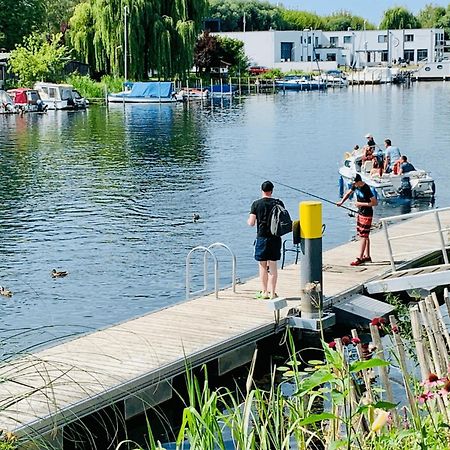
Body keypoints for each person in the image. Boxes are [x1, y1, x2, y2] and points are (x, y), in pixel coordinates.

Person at [248, 180, 283, 299]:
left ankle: (264, 292)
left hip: (262, 238)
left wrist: (249, 220)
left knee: (262, 265)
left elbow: (251, 223)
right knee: (273, 266)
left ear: (262, 190)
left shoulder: (256, 204)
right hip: (275, 238)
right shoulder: (278, 203)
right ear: (272, 191)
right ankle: (273, 293)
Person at [337, 174, 378, 266]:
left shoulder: (366, 188)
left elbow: (374, 203)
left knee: (363, 235)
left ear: (359, 181)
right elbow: (348, 193)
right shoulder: (355, 186)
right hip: (360, 213)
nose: (354, 184)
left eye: (355, 182)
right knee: (364, 235)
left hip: (367, 214)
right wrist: (341, 202)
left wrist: (360, 203)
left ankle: (360, 258)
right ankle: (367, 256)